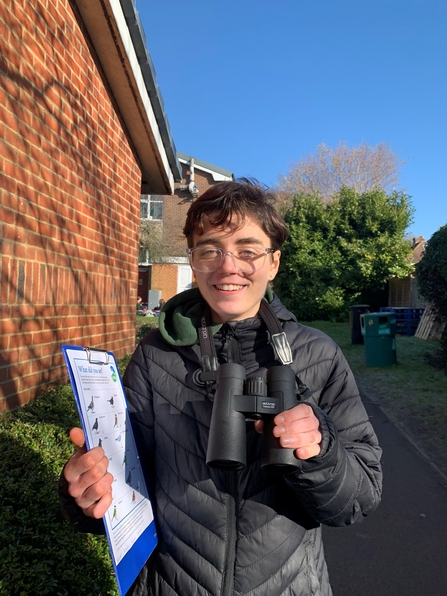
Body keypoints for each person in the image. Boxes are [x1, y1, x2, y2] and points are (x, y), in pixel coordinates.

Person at [59, 179, 382, 596]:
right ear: (193, 261)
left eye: (248, 251)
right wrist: (86, 494)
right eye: (210, 250)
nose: (228, 266)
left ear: (274, 263)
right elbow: (125, 480)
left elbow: (359, 498)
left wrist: (320, 453)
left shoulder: (318, 355)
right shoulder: (157, 354)